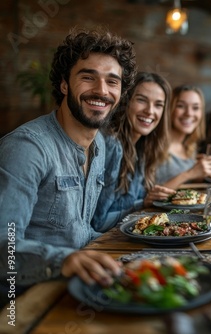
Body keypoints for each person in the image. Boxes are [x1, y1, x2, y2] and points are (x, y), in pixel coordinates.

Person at [0, 28, 136, 299]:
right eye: (88, 77)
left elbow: (80, 233)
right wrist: (63, 260)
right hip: (23, 298)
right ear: (64, 84)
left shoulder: (99, 148)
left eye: (113, 81)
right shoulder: (28, 148)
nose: (101, 91)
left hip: (80, 286)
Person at [91, 72, 176, 232]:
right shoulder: (111, 145)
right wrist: (142, 204)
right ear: (126, 101)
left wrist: (148, 201)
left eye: (158, 105)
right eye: (141, 100)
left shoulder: (143, 147)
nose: (150, 111)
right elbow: (98, 222)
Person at [155, 85, 211, 188]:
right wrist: (191, 173)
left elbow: (185, 187)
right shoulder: (156, 145)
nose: (189, 113)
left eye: (195, 108)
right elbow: (150, 195)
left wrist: (201, 174)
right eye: (181, 106)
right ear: (169, 109)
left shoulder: (189, 147)